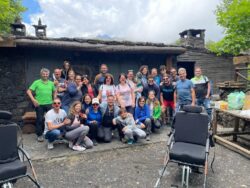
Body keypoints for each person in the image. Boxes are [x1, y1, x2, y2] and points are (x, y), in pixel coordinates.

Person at [27, 68, 56, 142]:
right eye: (43, 74)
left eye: (46, 74)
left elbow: (54, 91)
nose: (45, 75)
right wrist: (33, 100)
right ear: (41, 74)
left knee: (51, 119)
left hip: (49, 103)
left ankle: (51, 133)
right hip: (39, 104)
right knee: (39, 120)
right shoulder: (36, 82)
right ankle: (39, 135)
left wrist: (54, 100)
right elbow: (28, 91)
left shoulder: (51, 83)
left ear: (48, 74)